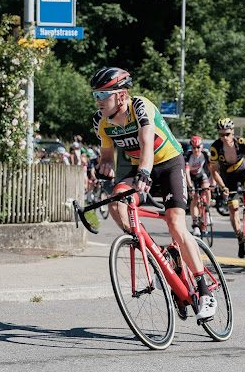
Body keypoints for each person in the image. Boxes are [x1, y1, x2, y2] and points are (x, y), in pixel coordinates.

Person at [90, 66, 216, 320]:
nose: (98, 101)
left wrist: (144, 173)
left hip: (169, 164)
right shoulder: (100, 121)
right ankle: (158, 255)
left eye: (104, 94)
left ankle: (204, 290)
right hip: (141, 169)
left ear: (122, 96)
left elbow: (147, 142)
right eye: (96, 95)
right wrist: (104, 168)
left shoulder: (140, 107)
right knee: (116, 204)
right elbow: (107, 156)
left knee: (175, 224)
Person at [209, 118, 245, 258]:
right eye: (221, 135)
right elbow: (214, 171)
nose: (224, 138)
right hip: (227, 176)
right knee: (233, 208)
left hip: (242, 169)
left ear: (232, 132)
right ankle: (240, 238)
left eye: (227, 134)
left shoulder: (242, 143)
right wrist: (222, 187)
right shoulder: (216, 147)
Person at [185, 135, 212, 236]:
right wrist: (190, 186)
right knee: (195, 198)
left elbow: (211, 169)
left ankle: (207, 211)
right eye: (193, 148)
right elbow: (187, 172)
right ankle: (195, 224)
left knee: (207, 188)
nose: (196, 150)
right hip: (191, 177)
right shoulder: (187, 155)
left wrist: (213, 181)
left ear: (202, 146)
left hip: (200, 175)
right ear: (191, 148)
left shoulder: (205, 153)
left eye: (198, 147)